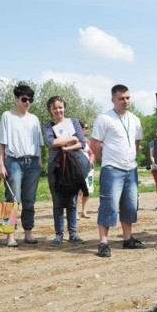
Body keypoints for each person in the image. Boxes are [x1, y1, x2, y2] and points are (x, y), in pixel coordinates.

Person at [90, 84, 144, 257]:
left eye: (127, 97)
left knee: (130, 205)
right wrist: (103, 160)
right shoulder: (104, 119)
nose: (125, 101)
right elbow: (94, 144)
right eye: (121, 98)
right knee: (109, 205)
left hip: (131, 168)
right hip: (112, 169)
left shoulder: (135, 119)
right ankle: (103, 242)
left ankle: (127, 239)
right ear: (112, 99)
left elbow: (137, 143)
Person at [0, 83, 43, 248]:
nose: (27, 103)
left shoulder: (34, 119)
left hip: (32, 162)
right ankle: (10, 236)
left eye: (30, 99)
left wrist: (39, 162)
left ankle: (28, 233)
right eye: (24, 99)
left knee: (29, 200)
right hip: (14, 162)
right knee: (12, 200)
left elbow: (39, 143)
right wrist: (1, 165)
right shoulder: (7, 116)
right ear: (16, 98)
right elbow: (2, 143)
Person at [43, 96, 86, 247]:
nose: (58, 110)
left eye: (60, 107)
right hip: (55, 166)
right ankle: (58, 235)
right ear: (50, 110)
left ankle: (73, 233)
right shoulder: (48, 126)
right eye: (54, 108)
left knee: (72, 201)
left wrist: (68, 146)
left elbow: (82, 142)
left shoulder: (73, 122)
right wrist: (72, 139)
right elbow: (52, 142)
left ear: (64, 108)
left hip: (72, 166)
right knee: (57, 201)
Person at [78, 121, 95, 219]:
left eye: (87, 128)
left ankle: (84, 211)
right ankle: (74, 211)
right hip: (78, 169)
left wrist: (91, 161)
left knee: (87, 190)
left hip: (88, 168)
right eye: (84, 128)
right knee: (78, 191)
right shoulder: (75, 140)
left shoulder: (88, 141)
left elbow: (92, 153)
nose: (86, 130)